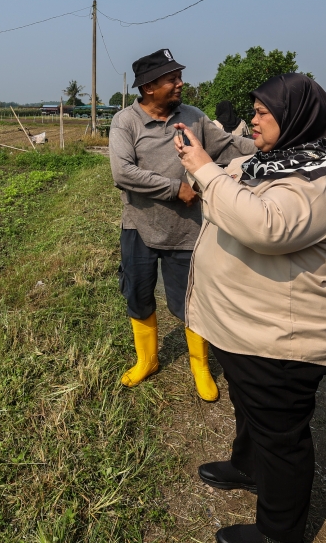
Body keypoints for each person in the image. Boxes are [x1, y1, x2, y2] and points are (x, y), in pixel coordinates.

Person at [174, 73, 326, 543]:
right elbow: (229, 185)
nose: (254, 120)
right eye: (254, 111)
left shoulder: (320, 179)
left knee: (282, 438)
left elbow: (263, 226)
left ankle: (279, 532)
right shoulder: (269, 163)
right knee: (251, 408)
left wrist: (202, 166)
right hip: (248, 328)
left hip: (282, 338)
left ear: (296, 117)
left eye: (264, 113)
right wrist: (207, 170)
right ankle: (247, 465)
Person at [108, 49, 256, 401]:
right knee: (139, 296)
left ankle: (199, 367)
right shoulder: (125, 122)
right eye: (171, 79)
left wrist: (273, 145)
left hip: (187, 232)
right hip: (139, 228)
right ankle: (148, 360)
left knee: (192, 301)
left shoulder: (194, 117)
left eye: (178, 76)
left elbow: (231, 147)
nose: (180, 83)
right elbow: (122, 172)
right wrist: (176, 189)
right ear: (148, 87)